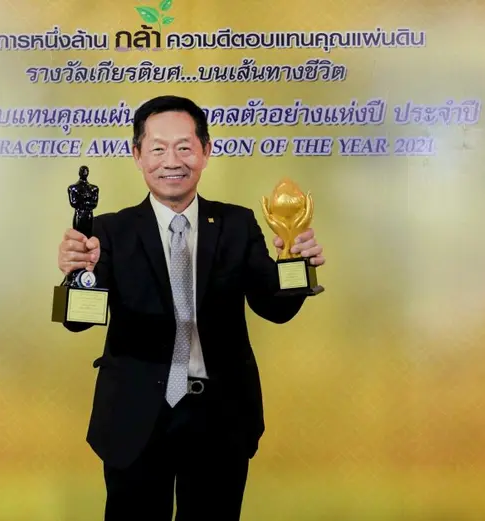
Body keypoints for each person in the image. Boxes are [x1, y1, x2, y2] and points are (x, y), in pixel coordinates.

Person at [56, 95, 325, 521]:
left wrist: (298, 266)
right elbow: (78, 321)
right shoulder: (109, 231)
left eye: (184, 147)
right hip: (134, 417)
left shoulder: (236, 224)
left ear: (205, 151)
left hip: (220, 416)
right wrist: (74, 273)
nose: (172, 161)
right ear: (137, 155)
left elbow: (272, 307)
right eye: (158, 148)